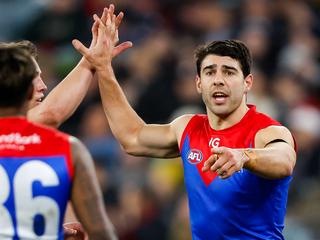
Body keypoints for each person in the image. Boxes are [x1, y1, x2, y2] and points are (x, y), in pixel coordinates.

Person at [73, 11, 297, 239]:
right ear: (199, 83)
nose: (218, 79)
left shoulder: (267, 131)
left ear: (247, 82)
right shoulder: (187, 127)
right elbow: (131, 137)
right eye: (210, 72)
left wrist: (245, 157)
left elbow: (284, 160)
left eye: (229, 72)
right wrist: (103, 68)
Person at [0, 46, 117, 239]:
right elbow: (101, 233)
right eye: (35, 78)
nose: (43, 86)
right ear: (28, 91)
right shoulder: (68, 149)